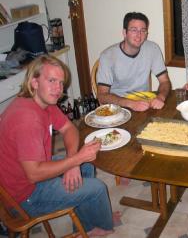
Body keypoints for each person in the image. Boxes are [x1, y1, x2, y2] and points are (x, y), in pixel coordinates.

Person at [0, 55, 116, 236]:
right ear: (34, 82)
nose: (58, 89)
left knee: (85, 166)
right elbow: (34, 174)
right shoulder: (27, 119)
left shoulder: (42, 101)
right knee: (98, 189)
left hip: (30, 175)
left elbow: (70, 128)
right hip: (23, 197)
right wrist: (75, 159)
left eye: (61, 83)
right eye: (52, 80)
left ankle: (87, 223)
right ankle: (100, 227)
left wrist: (73, 161)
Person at [97, 12, 171, 112]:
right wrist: (131, 104)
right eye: (134, 30)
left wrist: (160, 97)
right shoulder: (107, 56)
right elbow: (102, 96)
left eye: (143, 30)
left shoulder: (153, 48)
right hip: (119, 107)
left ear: (146, 34)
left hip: (144, 105)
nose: (139, 35)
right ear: (124, 32)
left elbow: (165, 81)